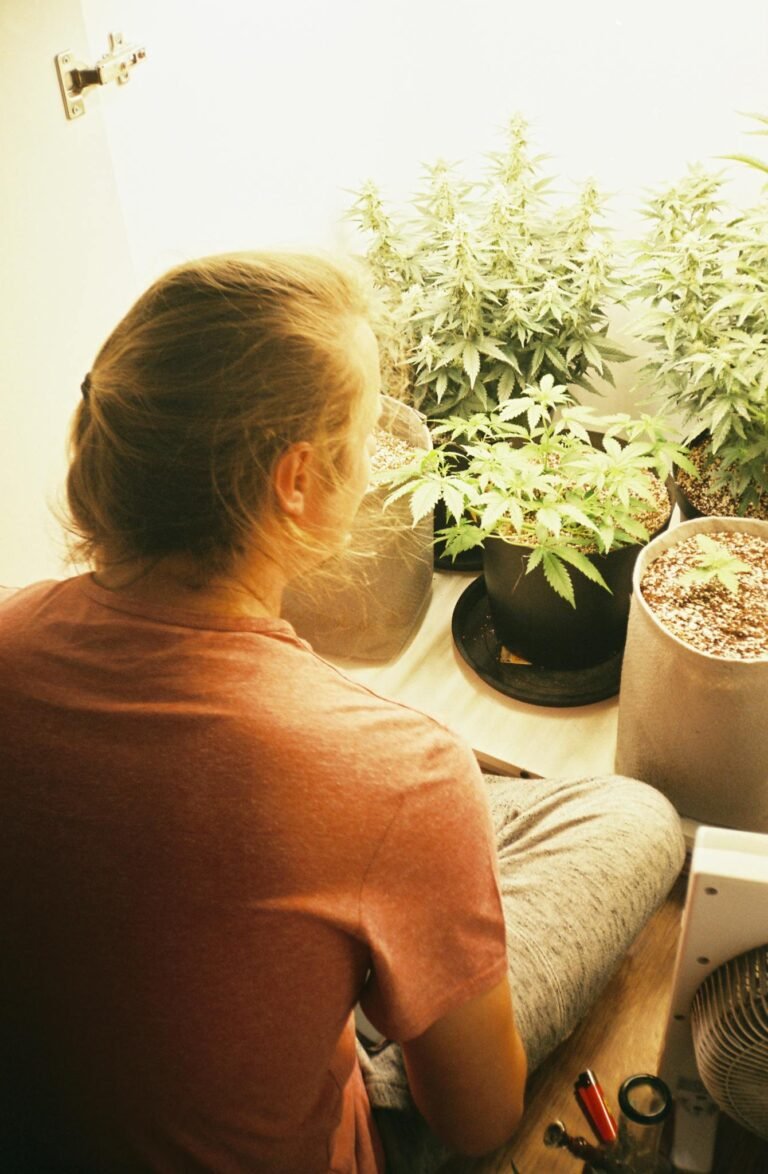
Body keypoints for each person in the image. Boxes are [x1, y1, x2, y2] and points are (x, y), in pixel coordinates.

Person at [0, 252, 684, 1174]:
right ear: (297, 480)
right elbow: (477, 1120)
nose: (377, 465)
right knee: (631, 813)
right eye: (366, 438)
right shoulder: (393, 769)